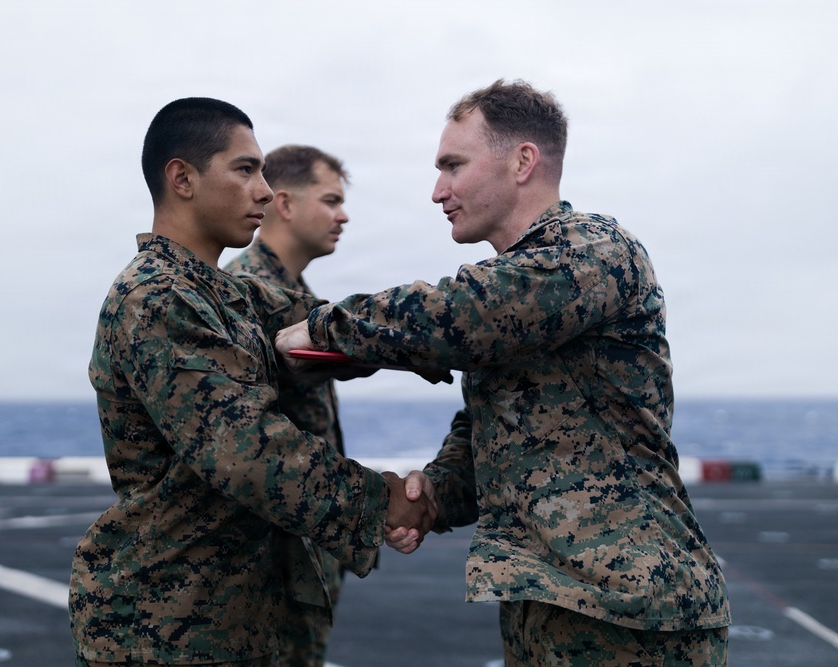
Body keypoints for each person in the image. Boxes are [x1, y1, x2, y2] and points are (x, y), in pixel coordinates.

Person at [275, 80, 731, 666]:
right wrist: (430, 494)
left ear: (522, 162)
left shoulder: (594, 250)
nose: (438, 191)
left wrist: (324, 327)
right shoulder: (521, 293)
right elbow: (497, 432)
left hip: (632, 611)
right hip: (546, 606)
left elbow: (465, 312)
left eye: (453, 166)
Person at [68, 97, 434, 667]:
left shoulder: (223, 294)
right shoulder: (158, 297)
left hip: (230, 616)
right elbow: (244, 449)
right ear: (182, 179)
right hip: (166, 625)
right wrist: (379, 500)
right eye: (245, 170)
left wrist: (435, 338)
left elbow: (328, 325)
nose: (264, 191)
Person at [224, 145, 351, 667]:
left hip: (305, 540)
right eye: (331, 200)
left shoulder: (295, 292)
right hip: (269, 555)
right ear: (285, 203)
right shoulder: (243, 291)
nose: (343, 216)